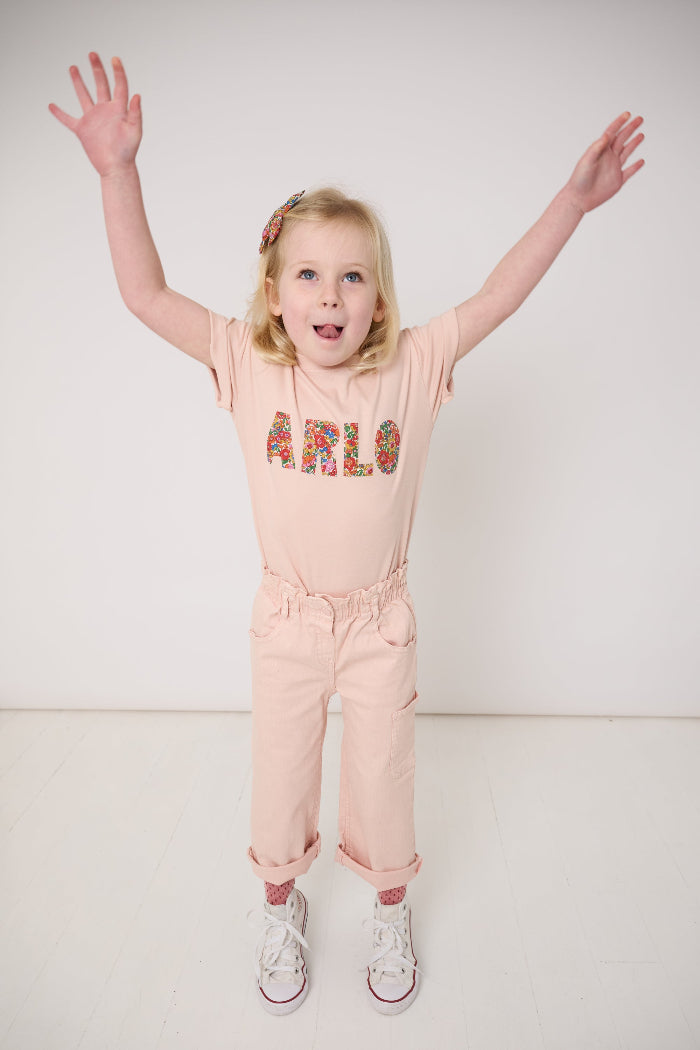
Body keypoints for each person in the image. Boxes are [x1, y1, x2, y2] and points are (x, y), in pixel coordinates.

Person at [49, 52, 644, 1017]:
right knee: (281, 777)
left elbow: (498, 294)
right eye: (310, 275)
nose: (331, 296)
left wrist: (572, 203)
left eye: (353, 277)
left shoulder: (413, 365)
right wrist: (119, 171)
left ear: (380, 298)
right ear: (275, 292)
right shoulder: (247, 363)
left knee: (383, 777)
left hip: (379, 625)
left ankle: (390, 907)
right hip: (286, 621)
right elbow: (146, 295)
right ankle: (280, 904)